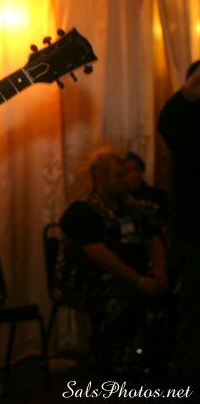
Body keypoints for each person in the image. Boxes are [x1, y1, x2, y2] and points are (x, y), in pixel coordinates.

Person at [57, 148, 168, 375]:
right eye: (120, 175)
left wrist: (160, 271)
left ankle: (159, 358)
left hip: (135, 274)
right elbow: (98, 254)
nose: (126, 180)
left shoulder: (135, 207)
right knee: (122, 298)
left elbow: (154, 239)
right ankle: (110, 362)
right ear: (101, 177)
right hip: (89, 279)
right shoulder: (83, 210)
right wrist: (138, 281)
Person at [157, 60, 200, 386]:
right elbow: (168, 123)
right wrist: (190, 91)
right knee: (196, 313)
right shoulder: (186, 124)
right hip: (195, 233)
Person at [122, 151, 169, 230]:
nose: (133, 175)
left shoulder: (158, 195)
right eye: (128, 171)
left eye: (137, 169)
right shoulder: (120, 199)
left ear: (142, 171)